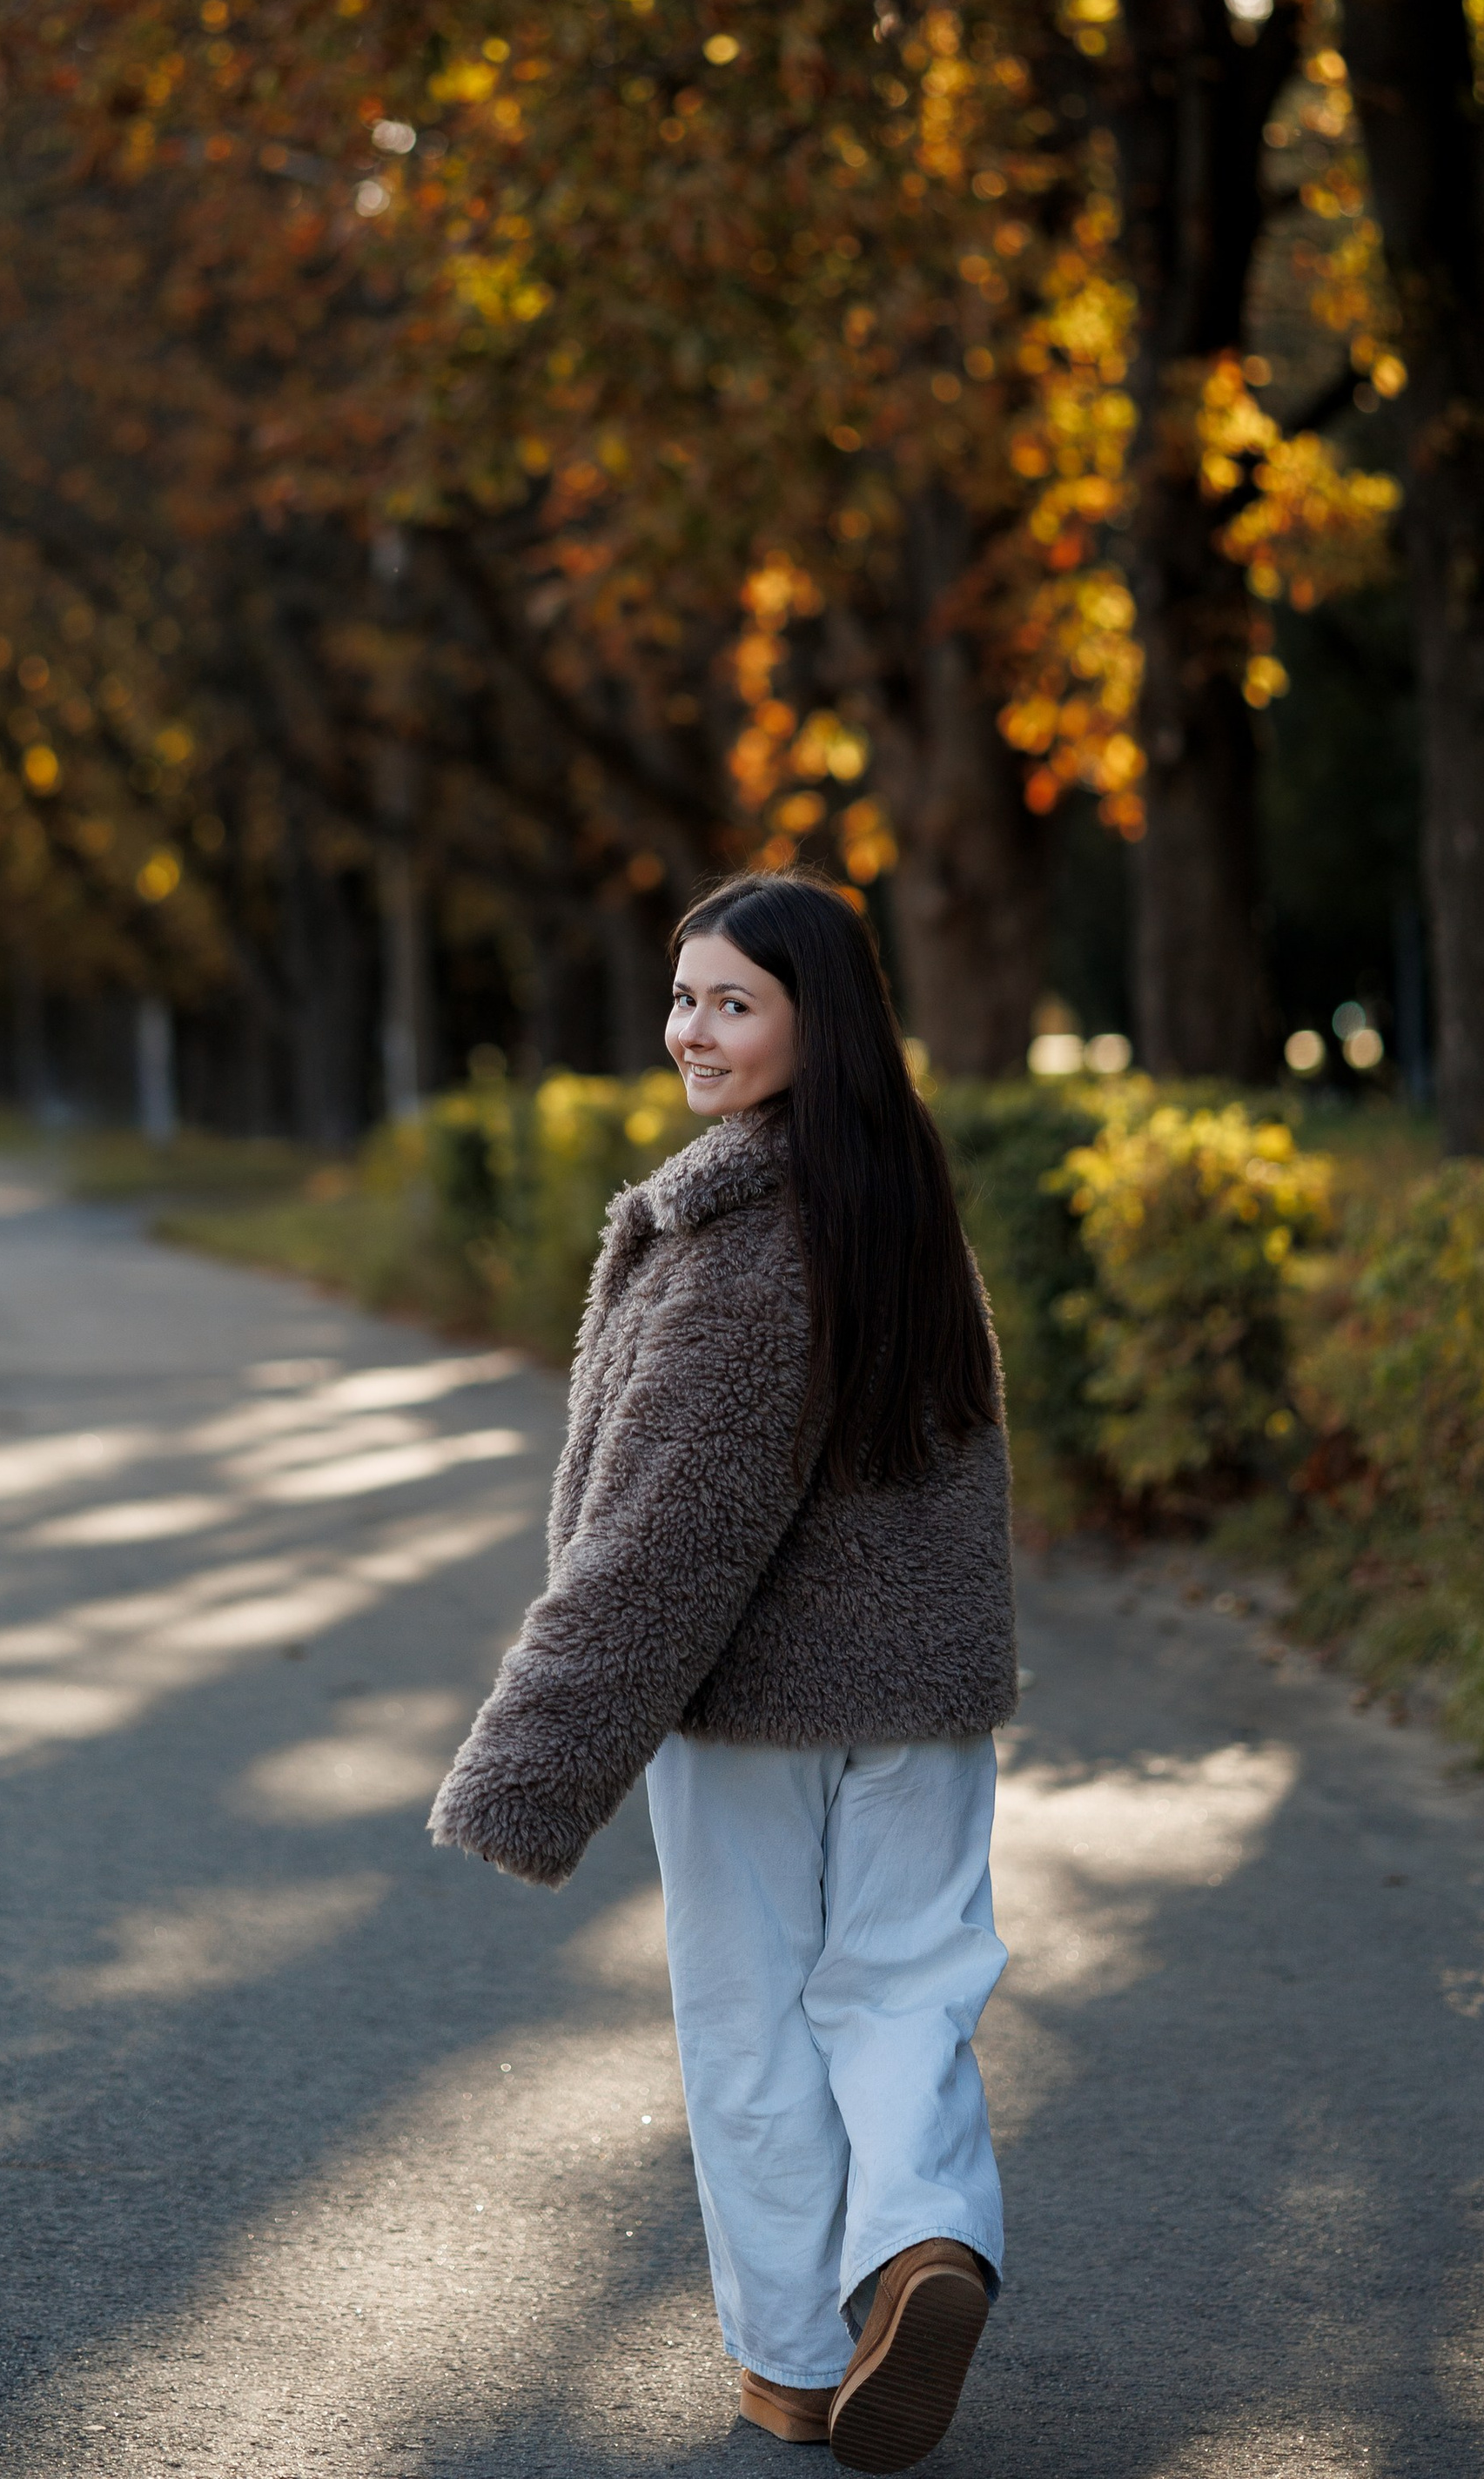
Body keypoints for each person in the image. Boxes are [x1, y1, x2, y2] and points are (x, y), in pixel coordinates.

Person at [430, 870, 1018, 2469]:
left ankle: (794, 2368)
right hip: (927, 1701)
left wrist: (531, 1764)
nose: (693, 1029)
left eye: (732, 1002)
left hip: (757, 1705)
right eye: (684, 996)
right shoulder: (902, 1206)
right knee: (908, 1989)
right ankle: (926, 2249)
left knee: (755, 2024)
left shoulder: (744, 1240)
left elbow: (667, 1538)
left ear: (815, 1025)